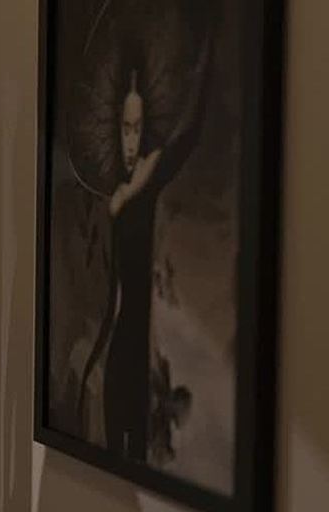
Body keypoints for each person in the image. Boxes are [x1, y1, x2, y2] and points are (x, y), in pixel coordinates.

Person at [84, 38, 212, 462]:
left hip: (140, 351)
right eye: (125, 128)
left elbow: (188, 137)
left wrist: (202, 69)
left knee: (134, 458)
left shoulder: (150, 177)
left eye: (136, 129)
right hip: (117, 348)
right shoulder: (113, 197)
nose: (130, 140)